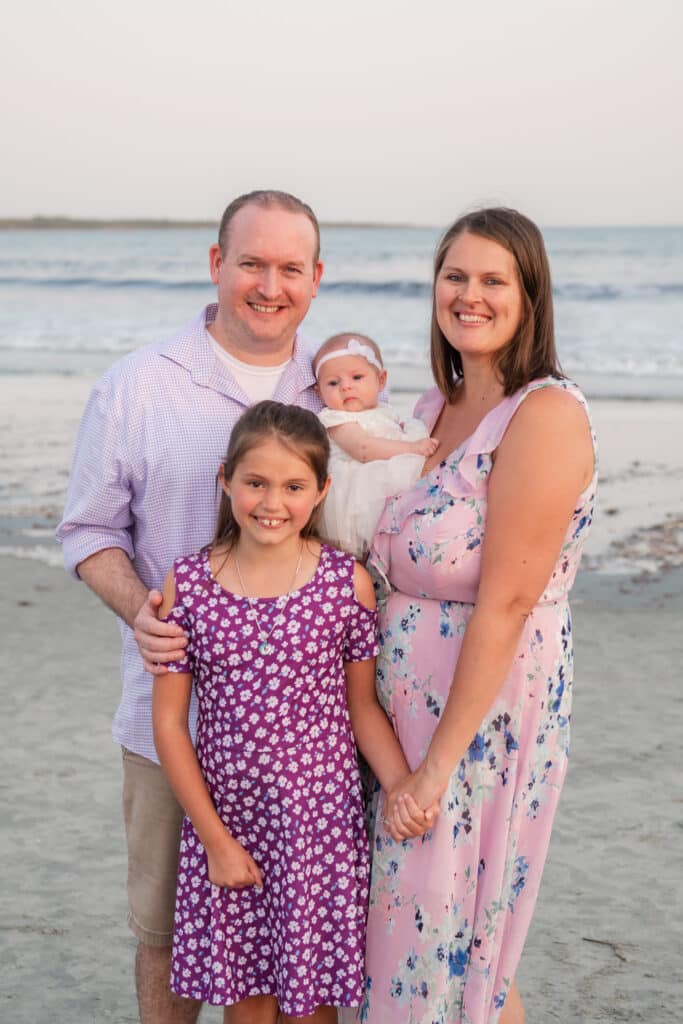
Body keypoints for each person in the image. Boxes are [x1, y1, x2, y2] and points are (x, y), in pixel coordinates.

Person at [56, 190, 327, 1024]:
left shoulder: (339, 389)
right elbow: (89, 530)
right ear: (217, 265)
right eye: (252, 262)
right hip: (167, 720)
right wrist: (142, 611)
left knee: (301, 941)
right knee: (168, 936)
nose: (268, 284)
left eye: (289, 267)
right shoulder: (137, 385)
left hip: (307, 743)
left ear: (316, 279)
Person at [355, 208, 598, 1024]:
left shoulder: (545, 414)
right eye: (454, 276)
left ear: (529, 296)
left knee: (454, 943)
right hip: (398, 715)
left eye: (493, 280)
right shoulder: (430, 408)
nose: (469, 295)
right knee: (441, 942)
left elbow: (505, 601)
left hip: (479, 721)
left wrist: (433, 769)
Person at [152, 401, 436, 1023]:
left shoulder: (345, 584)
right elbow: (171, 725)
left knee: (312, 1004)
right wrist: (215, 840)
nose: (271, 502)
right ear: (225, 479)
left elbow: (361, 707)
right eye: (255, 482)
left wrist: (399, 787)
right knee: (248, 1001)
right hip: (230, 825)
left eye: (293, 486)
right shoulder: (189, 584)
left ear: (322, 490)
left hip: (319, 831)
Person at [314, 332, 438, 560]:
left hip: (383, 483)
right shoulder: (336, 419)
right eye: (333, 382)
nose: (346, 387)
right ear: (319, 391)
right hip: (356, 493)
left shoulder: (385, 412)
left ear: (381, 381)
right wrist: (413, 448)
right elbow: (363, 449)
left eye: (357, 378)